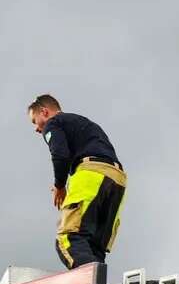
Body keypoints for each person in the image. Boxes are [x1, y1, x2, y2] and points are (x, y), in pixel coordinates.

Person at [27, 95, 126, 269]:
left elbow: (60, 154)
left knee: (68, 238)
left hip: (91, 174)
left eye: (35, 121)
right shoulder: (83, 124)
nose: (36, 129)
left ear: (44, 111)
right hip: (117, 179)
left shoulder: (54, 123)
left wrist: (59, 186)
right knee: (94, 246)